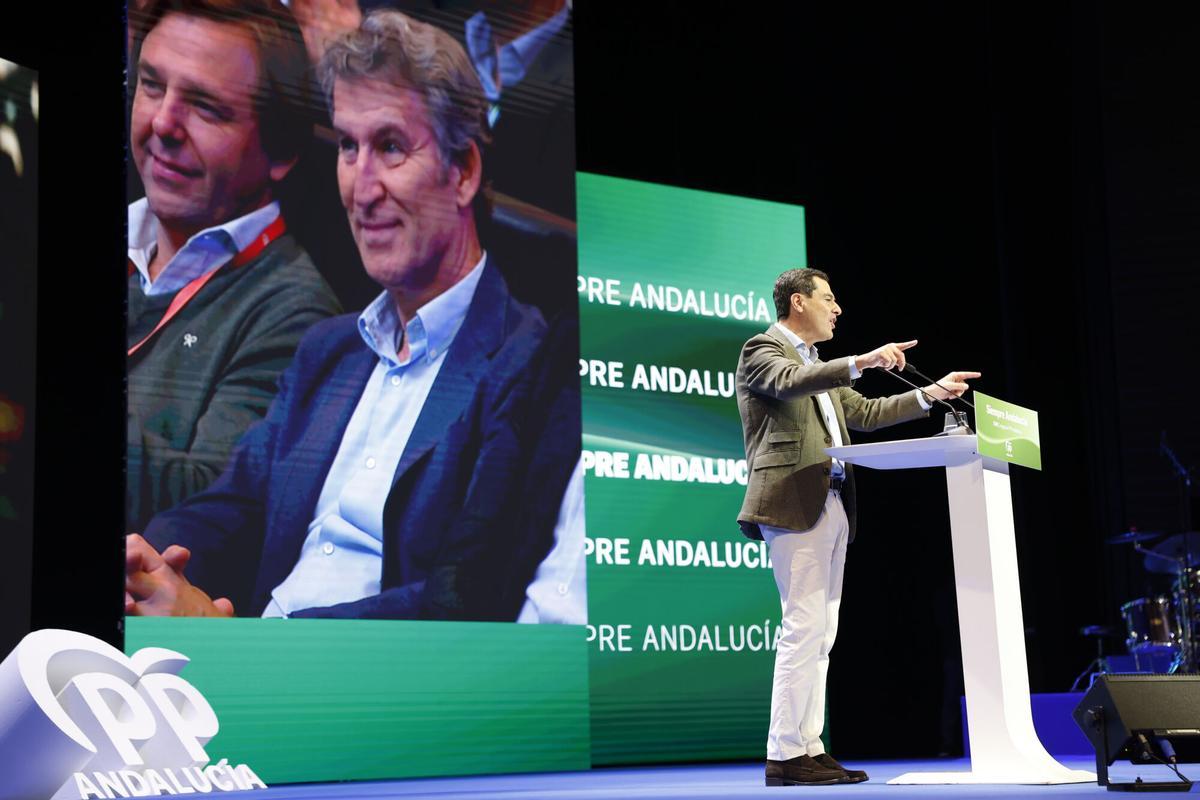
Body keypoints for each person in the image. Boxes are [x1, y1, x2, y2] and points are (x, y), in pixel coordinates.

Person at [125, 9, 573, 621]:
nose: (361, 190)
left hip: (360, 695)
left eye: (390, 147)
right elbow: (231, 506)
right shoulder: (328, 349)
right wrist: (148, 563)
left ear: (463, 170)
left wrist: (241, 639)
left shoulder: (525, 364)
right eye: (347, 147)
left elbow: (463, 596)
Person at [735, 267, 979, 786]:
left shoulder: (821, 366)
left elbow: (865, 413)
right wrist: (863, 361)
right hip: (792, 500)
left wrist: (930, 394)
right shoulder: (763, 351)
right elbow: (789, 383)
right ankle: (783, 753)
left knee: (822, 632)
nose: (838, 308)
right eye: (829, 298)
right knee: (803, 626)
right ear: (798, 303)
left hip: (833, 502)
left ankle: (808, 746)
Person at [126, 0, 342, 532]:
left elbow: (208, 502)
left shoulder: (300, 317)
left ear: (282, 149)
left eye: (206, 107)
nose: (163, 122)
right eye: (152, 85)